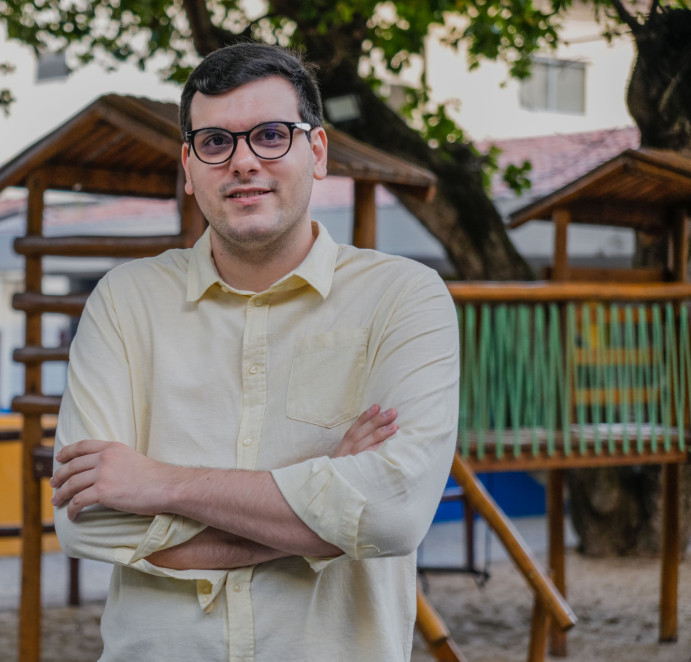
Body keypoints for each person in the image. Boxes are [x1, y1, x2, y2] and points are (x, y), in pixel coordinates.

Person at [50, 41, 459, 661]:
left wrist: (158, 483)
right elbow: (87, 522)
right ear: (189, 166)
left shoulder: (403, 298)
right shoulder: (124, 301)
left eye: (271, 135)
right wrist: (325, 525)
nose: (243, 162)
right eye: (216, 143)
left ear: (316, 152)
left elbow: (390, 515)